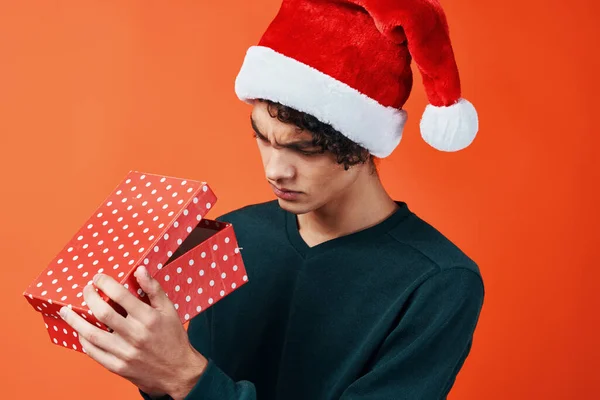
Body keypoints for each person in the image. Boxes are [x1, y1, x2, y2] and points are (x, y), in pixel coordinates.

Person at [59, 0, 485, 399]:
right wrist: (152, 372)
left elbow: (193, 380)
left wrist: (184, 376)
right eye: (262, 139)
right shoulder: (230, 233)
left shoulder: (439, 282)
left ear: (361, 143)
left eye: (303, 148)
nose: (275, 169)